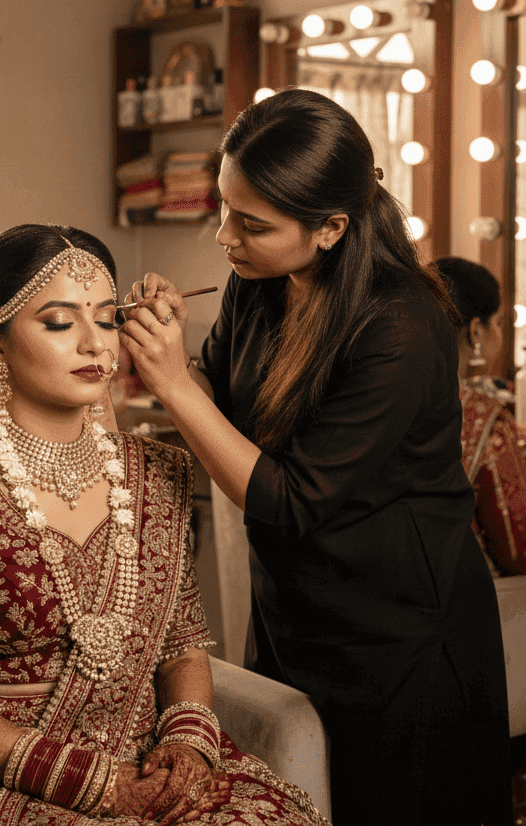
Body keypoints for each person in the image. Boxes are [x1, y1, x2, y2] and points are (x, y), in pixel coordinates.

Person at [0, 224, 331, 826]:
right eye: (61, 323)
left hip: (147, 759)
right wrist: (102, 787)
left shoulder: (156, 473)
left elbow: (182, 650)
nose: (95, 344)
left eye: (108, 319)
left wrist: (187, 744)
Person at [117, 89, 510, 825]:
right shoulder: (258, 286)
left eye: (252, 224)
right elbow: (215, 392)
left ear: (331, 227)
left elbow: (290, 500)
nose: (224, 236)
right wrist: (168, 346)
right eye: (225, 208)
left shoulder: (400, 324)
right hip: (297, 609)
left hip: (400, 632)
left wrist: (169, 382)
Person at [434, 255, 526, 576]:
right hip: (463, 593)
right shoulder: (485, 421)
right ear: (476, 331)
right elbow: (517, 549)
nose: (499, 333)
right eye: (498, 323)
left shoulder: (383, 398)